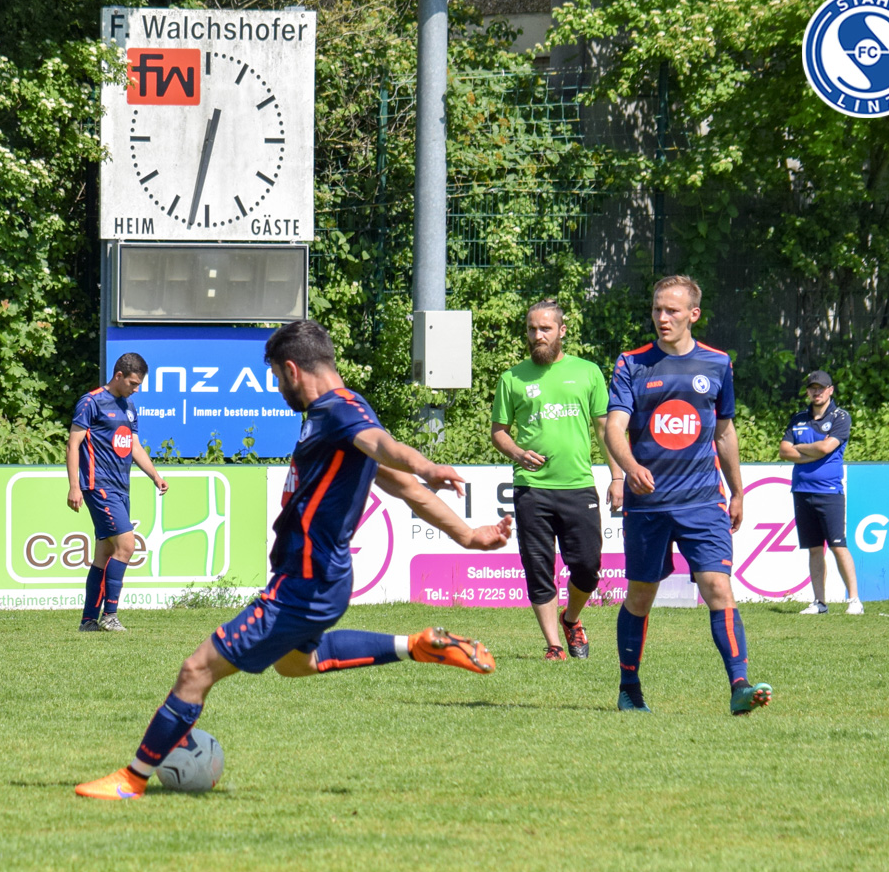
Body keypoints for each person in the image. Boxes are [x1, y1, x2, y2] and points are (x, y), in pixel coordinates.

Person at [75, 320, 512, 800]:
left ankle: (132, 780)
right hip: (316, 578)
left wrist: (426, 465)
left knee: (196, 670)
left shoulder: (341, 410)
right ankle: (419, 645)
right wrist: (467, 535)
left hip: (306, 581)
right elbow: (403, 486)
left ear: (292, 370)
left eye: (277, 379)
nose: (279, 389)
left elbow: (386, 449)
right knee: (296, 664)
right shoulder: (336, 414)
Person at [602, 275, 773, 715]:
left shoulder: (718, 363)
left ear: (693, 315)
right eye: (657, 309)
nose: (662, 317)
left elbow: (725, 432)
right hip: (648, 504)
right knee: (641, 596)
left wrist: (738, 491)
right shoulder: (631, 364)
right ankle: (629, 687)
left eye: (672, 311)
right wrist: (630, 467)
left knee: (718, 586)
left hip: (702, 501)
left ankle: (739, 685)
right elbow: (614, 427)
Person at [491, 299, 622, 660]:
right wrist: (518, 453)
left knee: (588, 567)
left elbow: (605, 429)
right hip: (531, 488)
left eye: (545, 329)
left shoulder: (588, 372)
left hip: (578, 485)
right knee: (538, 567)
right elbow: (499, 432)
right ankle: (554, 646)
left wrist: (617, 476)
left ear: (561, 331)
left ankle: (571, 619)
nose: (538, 335)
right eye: (532, 329)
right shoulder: (512, 378)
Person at [66, 352, 168, 631]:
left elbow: (134, 446)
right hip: (99, 486)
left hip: (121, 488)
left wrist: (155, 476)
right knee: (127, 546)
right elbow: (73, 444)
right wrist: (74, 486)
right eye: (133, 383)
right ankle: (109, 616)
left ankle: (88, 620)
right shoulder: (91, 402)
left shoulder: (129, 406)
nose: (136, 389)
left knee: (105, 552)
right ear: (118, 375)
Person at [779, 370, 863, 615]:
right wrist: (812, 451)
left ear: (830, 390)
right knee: (814, 548)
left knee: (838, 545)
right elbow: (784, 451)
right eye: (812, 388)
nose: (816, 392)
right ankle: (819, 602)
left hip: (829, 492)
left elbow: (827, 447)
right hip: (801, 491)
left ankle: (854, 600)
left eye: (821, 388)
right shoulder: (798, 418)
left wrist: (800, 448)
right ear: (808, 391)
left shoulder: (840, 417)